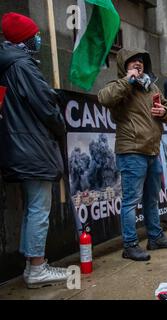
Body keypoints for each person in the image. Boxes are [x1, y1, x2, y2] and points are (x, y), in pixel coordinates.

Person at [0, 13, 69, 288]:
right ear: (26, 40)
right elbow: (45, 107)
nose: (38, 39)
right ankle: (38, 267)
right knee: (40, 208)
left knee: (33, 207)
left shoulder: (10, 65)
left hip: (20, 146)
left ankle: (33, 264)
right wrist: (59, 119)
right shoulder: (23, 66)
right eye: (35, 36)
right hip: (33, 146)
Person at [98, 48, 167, 262]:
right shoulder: (119, 86)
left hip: (152, 150)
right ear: (124, 65)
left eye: (141, 61)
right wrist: (128, 80)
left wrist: (165, 112)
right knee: (130, 201)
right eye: (133, 61)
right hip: (132, 152)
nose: (138, 64)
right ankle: (130, 245)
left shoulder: (151, 86)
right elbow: (104, 98)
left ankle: (155, 237)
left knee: (152, 199)